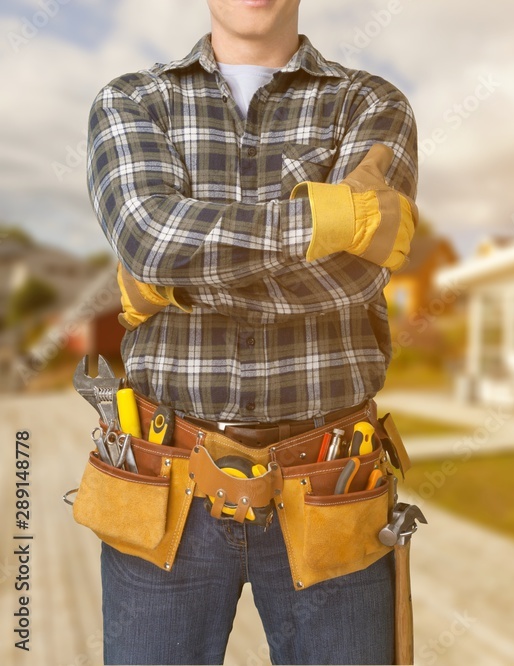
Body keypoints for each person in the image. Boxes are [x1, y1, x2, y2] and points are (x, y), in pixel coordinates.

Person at [85, 0, 418, 663]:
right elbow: (148, 235)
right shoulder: (131, 100)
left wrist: (170, 283)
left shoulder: (372, 104)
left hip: (331, 487)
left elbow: (352, 279)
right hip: (163, 480)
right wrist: (329, 221)